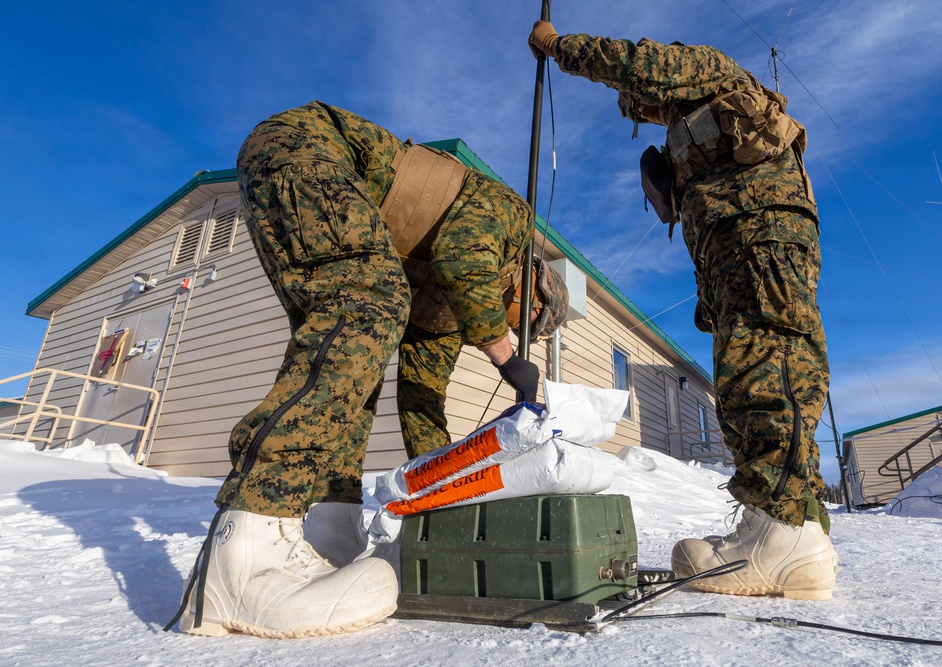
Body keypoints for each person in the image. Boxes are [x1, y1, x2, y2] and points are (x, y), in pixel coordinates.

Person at [168, 101, 568, 637]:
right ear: (530, 290)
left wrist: (441, 503)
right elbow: (460, 258)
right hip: (304, 148)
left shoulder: (444, 314)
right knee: (369, 296)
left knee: (356, 372)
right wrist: (506, 355)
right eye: (527, 326)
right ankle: (244, 557)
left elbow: (423, 411)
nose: (513, 331)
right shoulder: (509, 224)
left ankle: (332, 532)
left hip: (306, 187)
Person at [529, 23, 837, 600]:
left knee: (764, 366)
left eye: (642, 103)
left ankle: (781, 532)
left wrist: (558, 47)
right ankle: (796, 520)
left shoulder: (708, 69)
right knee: (758, 365)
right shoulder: (695, 131)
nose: (640, 110)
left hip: (756, 232)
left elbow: (634, 61)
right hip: (738, 240)